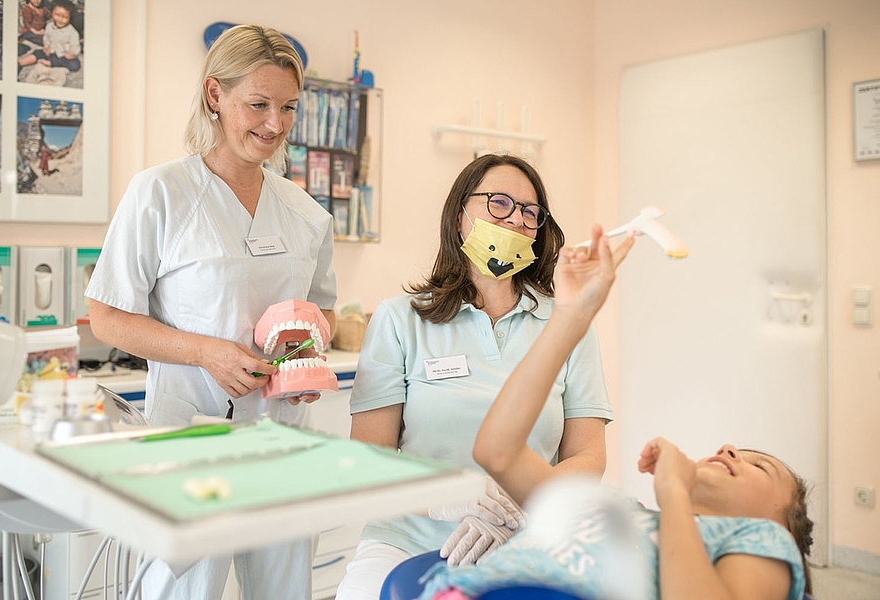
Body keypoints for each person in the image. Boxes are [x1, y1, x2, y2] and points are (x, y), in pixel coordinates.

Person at [417, 226, 814, 600]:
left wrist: (673, 494)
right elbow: (497, 452)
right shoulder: (616, 512)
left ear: (780, 527)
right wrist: (571, 317)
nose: (730, 449)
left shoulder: (764, 542)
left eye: (762, 466)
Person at [85, 25, 337, 600]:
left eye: (288, 108)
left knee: (284, 590)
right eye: (258, 104)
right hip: (191, 434)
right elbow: (107, 316)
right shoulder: (161, 193)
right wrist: (204, 351)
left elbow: (319, 310)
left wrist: (305, 360)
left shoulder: (305, 213)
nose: (275, 124)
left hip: (283, 439)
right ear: (213, 96)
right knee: (184, 592)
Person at [336, 153, 615, 599]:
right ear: (460, 213)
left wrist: (519, 504)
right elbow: (369, 460)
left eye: (530, 213)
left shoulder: (568, 322)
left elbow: (588, 458)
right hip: (404, 541)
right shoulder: (398, 320)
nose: (517, 221)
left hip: (526, 540)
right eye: (499, 203)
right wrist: (452, 497)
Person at [18, 0, 80, 72]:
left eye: (65, 17)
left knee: (75, 65)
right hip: (51, 52)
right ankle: (19, 63)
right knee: (37, 52)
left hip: (63, 56)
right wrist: (46, 46)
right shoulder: (49, 26)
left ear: (70, 18)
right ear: (52, 13)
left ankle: (52, 63)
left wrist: (72, 53)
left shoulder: (72, 32)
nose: (60, 19)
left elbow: (75, 46)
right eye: (57, 15)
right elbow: (46, 37)